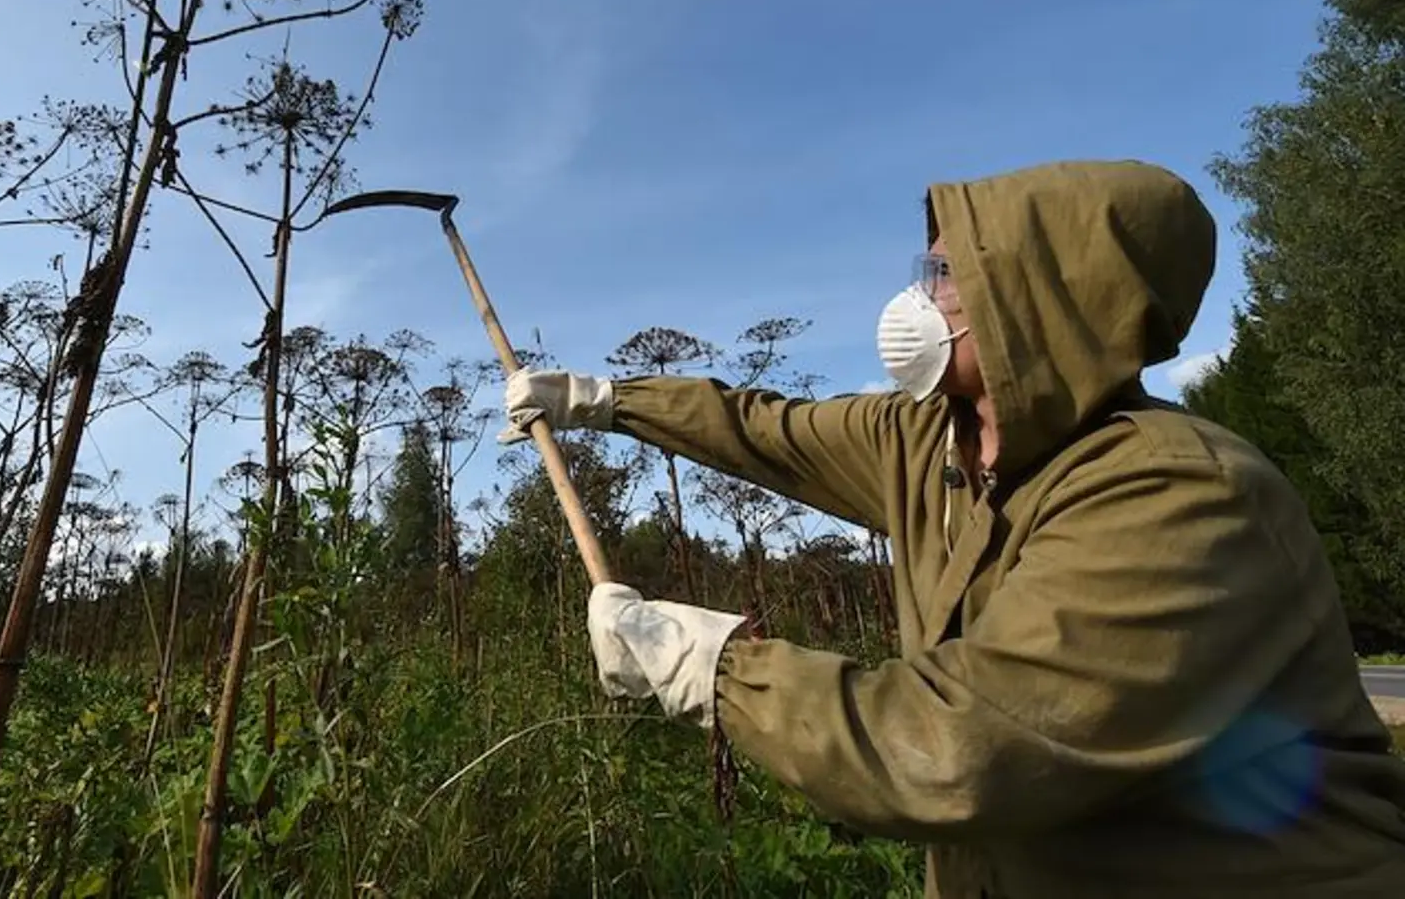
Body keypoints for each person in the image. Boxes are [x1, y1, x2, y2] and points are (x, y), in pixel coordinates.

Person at [500, 159, 1405, 898]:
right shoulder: (930, 438)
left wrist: (712, 666)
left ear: (1037, 303)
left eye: (945, 273)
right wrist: (604, 400)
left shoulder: (1175, 495)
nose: (918, 295)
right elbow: (761, 426)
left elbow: (956, 749)